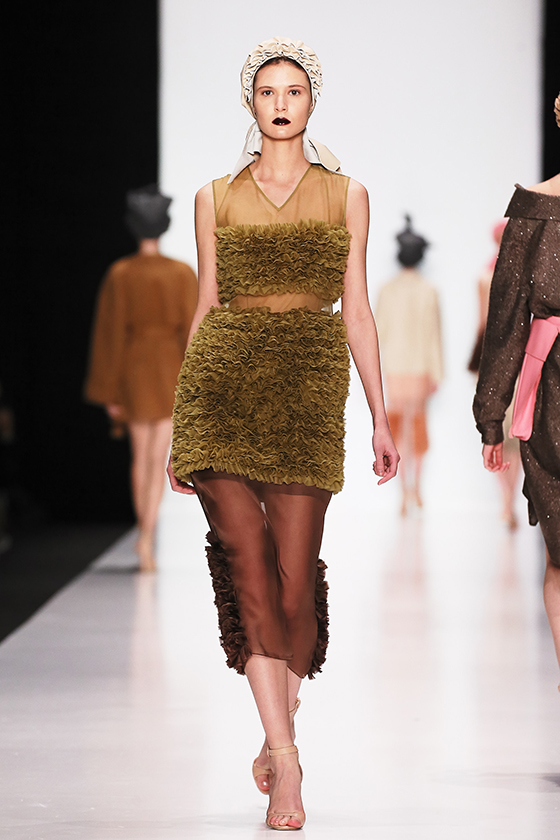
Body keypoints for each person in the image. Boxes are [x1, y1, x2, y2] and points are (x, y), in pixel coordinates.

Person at [167, 37, 399, 831]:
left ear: (311, 101)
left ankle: (277, 729)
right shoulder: (213, 197)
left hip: (308, 385)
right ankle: (287, 760)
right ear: (250, 102)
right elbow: (205, 306)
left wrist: (380, 415)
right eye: (267, 91)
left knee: (295, 583)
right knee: (247, 566)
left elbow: (357, 308)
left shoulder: (347, 194)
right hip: (222, 387)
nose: (280, 102)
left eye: (293, 90)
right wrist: (182, 420)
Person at [473, 93, 560, 687]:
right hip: (554, 403)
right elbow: (506, 321)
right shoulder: (532, 212)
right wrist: (492, 416)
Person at [85, 185, 198, 572]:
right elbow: (192, 332)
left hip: (133, 369)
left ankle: (145, 535)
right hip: (168, 369)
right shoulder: (181, 273)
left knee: (141, 457)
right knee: (158, 456)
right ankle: (147, 537)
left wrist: (109, 388)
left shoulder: (121, 273)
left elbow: (110, 333)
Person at [375, 216, 443, 515]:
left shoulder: (387, 290)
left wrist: (376, 372)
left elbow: (378, 333)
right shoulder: (428, 290)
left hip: (394, 368)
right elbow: (434, 335)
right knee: (416, 431)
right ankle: (416, 489)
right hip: (420, 369)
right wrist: (437, 372)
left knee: (399, 432)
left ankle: (404, 492)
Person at [468, 219, 521, 530]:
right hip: (520, 358)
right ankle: (509, 500)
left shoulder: (484, 277)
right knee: (516, 431)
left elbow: (482, 325)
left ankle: (506, 501)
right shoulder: (524, 275)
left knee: (497, 430)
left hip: (493, 360)